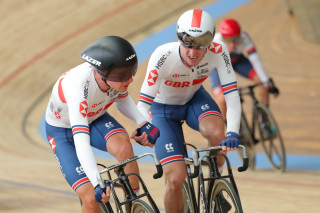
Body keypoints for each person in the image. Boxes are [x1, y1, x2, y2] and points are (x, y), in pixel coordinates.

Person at [137, 9, 241, 213]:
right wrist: (144, 127)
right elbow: (142, 104)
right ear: (178, 38)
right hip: (162, 111)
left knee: (218, 133)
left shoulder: (219, 51)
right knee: (175, 180)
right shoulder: (162, 56)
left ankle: (215, 186)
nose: (193, 53)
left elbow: (232, 95)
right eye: (187, 44)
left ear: (210, 41)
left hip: (194, 99)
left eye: (200, 45)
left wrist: (233, 132)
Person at [45, 36, 159, 213]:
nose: (130, 80)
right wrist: (97, 182)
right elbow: (81, 141)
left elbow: (122, 100)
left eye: (131, 72)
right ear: (103, 73)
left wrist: (143, 122)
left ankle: (133, 202)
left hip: (95, 117)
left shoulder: (114, 74)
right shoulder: (77, 88)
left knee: (124, 147)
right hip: (63, 133)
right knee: (91, 198)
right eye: (123, 76)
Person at [209, 18, 270, 120]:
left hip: (238, 61)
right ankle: (228, 127)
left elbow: (256, 60)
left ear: (239, 35)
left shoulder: (245, 37)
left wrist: (266, 81)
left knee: (262, 83)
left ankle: (265, 121)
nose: (232, 44)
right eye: (228, 41)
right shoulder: (215, 42)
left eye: (235, 39)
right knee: (221, 99)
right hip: (218, 66)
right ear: (223, 38)